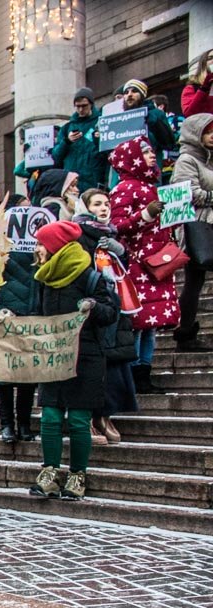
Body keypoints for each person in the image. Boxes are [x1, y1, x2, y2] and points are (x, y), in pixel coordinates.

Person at [25, 221, 118, 501]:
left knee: (78, 419)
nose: (37, 249)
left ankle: (78, 475)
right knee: (50, 417)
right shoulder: (43, 278)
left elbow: (112, 312)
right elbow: (35, 314)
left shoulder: (90, 277)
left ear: (55, 247)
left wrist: (94, 307)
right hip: (54, 355)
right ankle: (49, 472)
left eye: (41, 243)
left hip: (86, 356)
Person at [110, 136, 176, 394]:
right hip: (138, 265)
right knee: (138, 324)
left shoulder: (153, 187)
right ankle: (134, 374)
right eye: (145, 152)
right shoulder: (124, 189)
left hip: (157, 263)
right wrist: (146, 214)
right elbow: (118, 226)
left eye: (151, 151)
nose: (151, 155)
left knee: (151, 324)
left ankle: (144, 372)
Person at [74, 189, 139, 445]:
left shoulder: (111, 234)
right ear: (86, 206)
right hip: (94, 306)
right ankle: (89, 416)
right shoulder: (79, 233)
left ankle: (106, 414)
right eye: (97, 204)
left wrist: (120, 252)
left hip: (115, 304)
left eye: (107, 203)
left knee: (115, 363)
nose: (104, 208)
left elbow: (121, 271)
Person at [0, 194, 39, 443]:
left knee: (27, 376)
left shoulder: (39, 250)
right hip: (5, 316)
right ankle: (8, 424)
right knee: (5, 376)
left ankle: (22, 424)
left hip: (31, 314)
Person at [172, 113, 213, 350]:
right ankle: (185, 333)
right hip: (198, 227)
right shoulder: (187, 160)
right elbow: (186, 192)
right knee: (193, 282)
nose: (212, 136)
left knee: (194, 283)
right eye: (207, 131)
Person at [52, 88, 106, 192]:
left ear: (91, 104)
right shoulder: (67, 128)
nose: (81, 109)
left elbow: (108, 153)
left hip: (94, 181)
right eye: (78, 106)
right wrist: (67, 141)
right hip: (71, 183)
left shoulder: (101, 123)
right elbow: (56, 156)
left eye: (84, 106)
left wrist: (98, 139)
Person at [121, 80, 177, 161]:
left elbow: (169, 144)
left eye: (134, 91)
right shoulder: (119, 120)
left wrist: (155, 123)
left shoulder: (156, 114)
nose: (129, 94)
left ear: (143, 94)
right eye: (126, 92)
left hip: (151, 166)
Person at [182, 49, 213, 116]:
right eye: (210, 58)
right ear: (203, 64)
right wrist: (204, 88)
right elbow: (189, 114)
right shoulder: (192, 88)